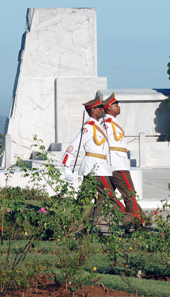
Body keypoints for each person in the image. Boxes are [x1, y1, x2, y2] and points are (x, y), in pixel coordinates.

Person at [61, 94, 135, 230]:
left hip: (99, 167)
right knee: (109, 197)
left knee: (85, 200)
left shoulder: (97, 126)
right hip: (95, 168)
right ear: (93, 111)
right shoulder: (89, 127)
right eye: (99, 108)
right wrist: (66, 166)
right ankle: (128, 221)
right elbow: (73, 146)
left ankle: (77, 228)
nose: (103, 109)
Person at [102, 93, 144, 226]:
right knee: (129, 195)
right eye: (116, 105)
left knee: (108, 198)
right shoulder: (106, 124)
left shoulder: (112, 122)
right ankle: (135, 223)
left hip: (119, 162)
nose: (119, 107)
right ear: (109, 108)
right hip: (117, 164)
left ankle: (136, 221)